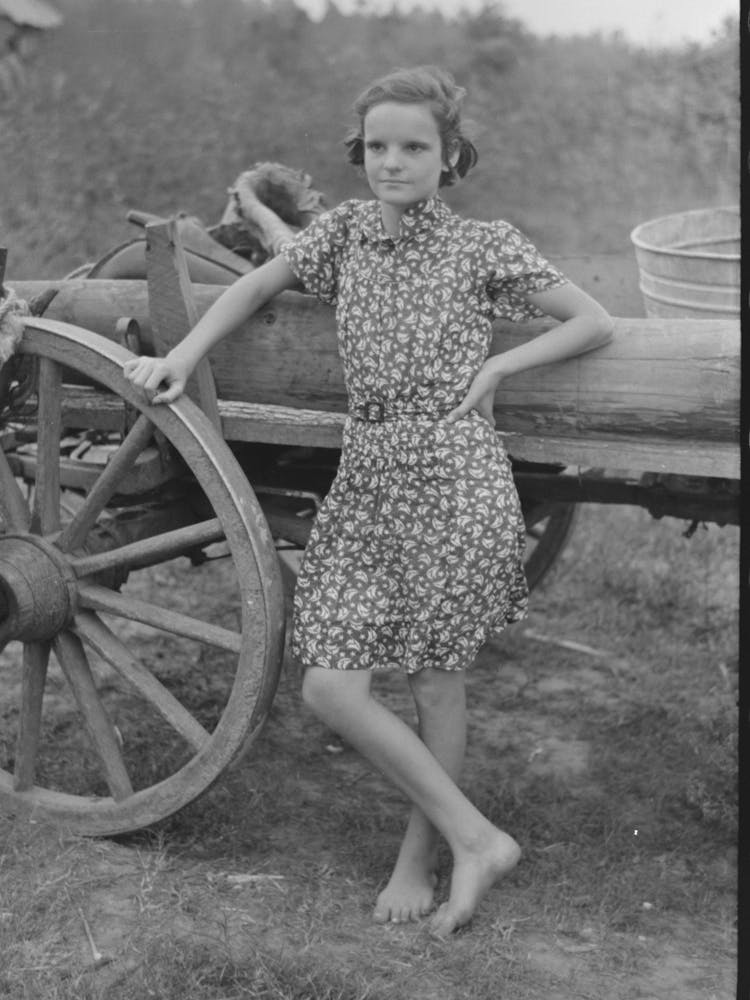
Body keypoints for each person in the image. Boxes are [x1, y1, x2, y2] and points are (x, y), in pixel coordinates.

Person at [123, 65, 613, 936]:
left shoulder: (483, 245)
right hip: (368, 473)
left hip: (454, 473)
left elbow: (592, 320)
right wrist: (183, 354)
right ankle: (479, 837)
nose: (393, 162)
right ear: (360, 154)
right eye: (378, 147)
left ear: (449, 155)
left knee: (435, 679)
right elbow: (257, 285)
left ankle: (422, 860)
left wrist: (501, 364)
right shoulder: (343, 234)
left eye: (414, 147)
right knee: (330, 687)